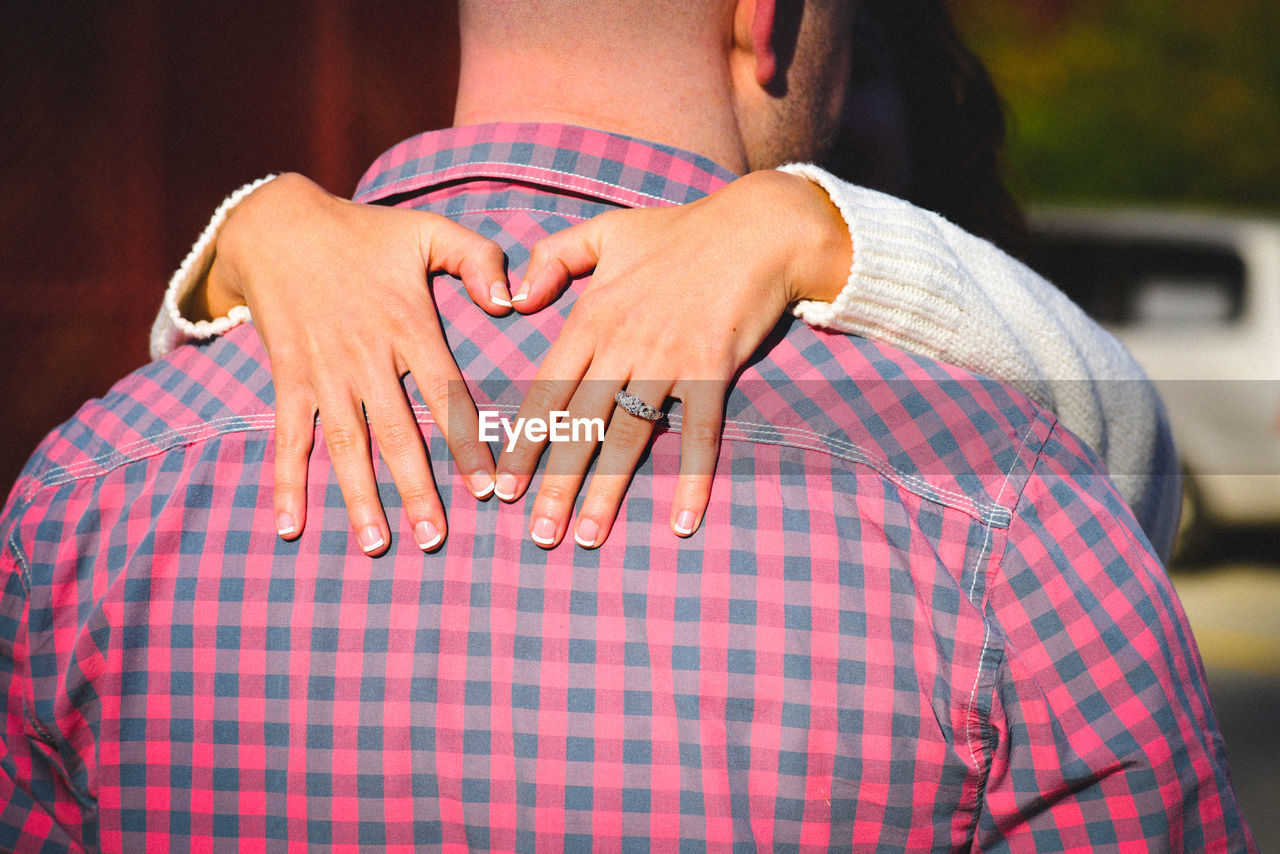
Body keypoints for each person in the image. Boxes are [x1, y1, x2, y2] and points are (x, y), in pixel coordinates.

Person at [0, 0, 1254, 849]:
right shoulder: (1007, 512)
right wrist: (823, 229)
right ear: (766, 14)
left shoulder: (83, 497)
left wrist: (254, 229)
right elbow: (1114, 476)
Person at [152, 1, 1180, 559]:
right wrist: (255, 236)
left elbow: (1130, 456)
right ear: (765, 27)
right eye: (840, 64)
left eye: (868, 78)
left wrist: (815, 228)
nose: (832, 114)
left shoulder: (959, 322)